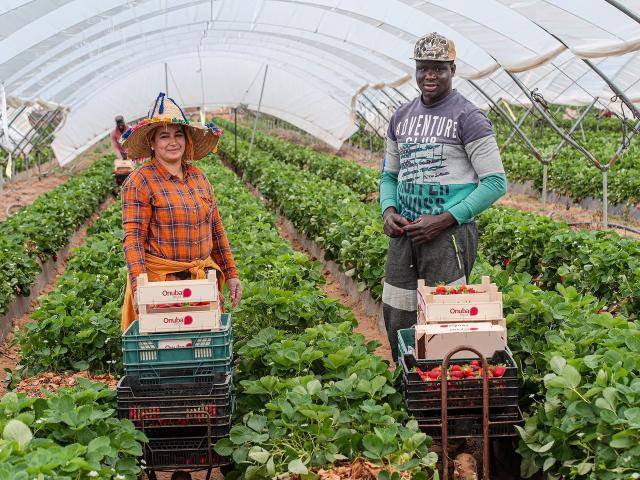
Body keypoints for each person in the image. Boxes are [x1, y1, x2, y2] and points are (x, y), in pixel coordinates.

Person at [379, 32, 507, 360]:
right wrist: (388, 210)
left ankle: (441, 387)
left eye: (438, 68)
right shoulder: (401, 117)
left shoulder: (469, 117)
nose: (430, 76)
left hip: (448, 236)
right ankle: (406, 376)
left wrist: (444, 219)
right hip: (405, 234)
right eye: (423, 68)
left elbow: (495, 183)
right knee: (398, 312)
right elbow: (389, 175)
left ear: (452, 69)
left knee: (445, 317)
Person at [119, 92, 241, 331]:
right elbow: (133, 240)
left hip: (202, 282)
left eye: (178, 135)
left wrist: (231, 272)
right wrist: (140, 288)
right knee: (167, 348)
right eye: (164, 136)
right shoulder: (140, 181)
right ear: (152, 143)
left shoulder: (199, 177)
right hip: (161, 286)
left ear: (187, 140)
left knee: (204, 350)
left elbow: (216, 230)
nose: (172, 142)